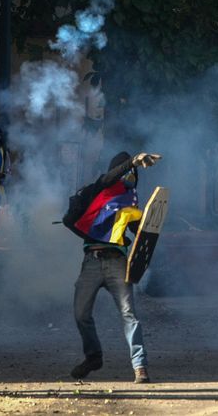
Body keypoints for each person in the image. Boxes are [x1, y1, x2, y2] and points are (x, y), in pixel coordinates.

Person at [70, 151, 161, 383]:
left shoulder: (130, 199)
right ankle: (93, 357)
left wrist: (143, 226)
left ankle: (140, 366)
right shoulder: (99, 189)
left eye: (133, 172)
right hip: (92, 261)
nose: (130, 176)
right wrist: (132, 161)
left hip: (117, 261)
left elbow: (139, 232)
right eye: (127, 171)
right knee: (81, 314)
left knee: (129, 314)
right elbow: (110, 178)